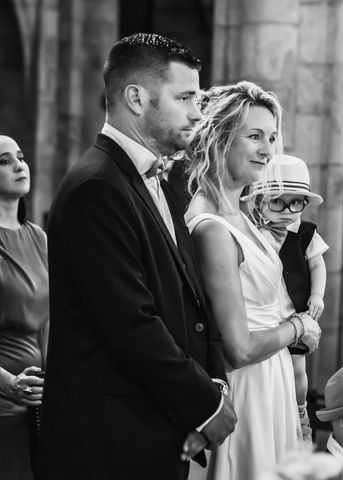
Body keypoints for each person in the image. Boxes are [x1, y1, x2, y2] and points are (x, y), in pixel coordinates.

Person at [37, 34, 236, 480]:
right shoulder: (96, 187)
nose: (197, 113)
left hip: (157, 431)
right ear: (136, 98)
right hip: (108, 444)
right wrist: (205, 404)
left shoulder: (160, 183)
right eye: (185, 97)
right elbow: (129, 322)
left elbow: (191, 301)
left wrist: (215, 384)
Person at [184, 81, 322, 480]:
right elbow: (238, 349)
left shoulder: (241, 214)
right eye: (255, 136)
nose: (268, 149)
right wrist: (298, 325)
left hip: (272, 380)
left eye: (273, 137)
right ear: (221, 138)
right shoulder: (211, 226)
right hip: (247, 388)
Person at [242, 153, 328, 443]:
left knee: (297, 368)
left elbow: (317, 263)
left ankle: (300, 407)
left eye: (297, 203)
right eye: (278, 202)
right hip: (264, 318)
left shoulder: (305, 233)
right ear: (260, 201)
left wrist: (317, 295)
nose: (288, 211)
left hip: (294, 312)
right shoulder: (252, 231)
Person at [0, 135, 48, 480]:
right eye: (4, 161)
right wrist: (8, 383)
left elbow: (50, 322)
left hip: (36, 400)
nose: (19, 165)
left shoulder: (39, 237)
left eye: (20, 156)